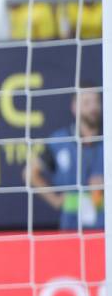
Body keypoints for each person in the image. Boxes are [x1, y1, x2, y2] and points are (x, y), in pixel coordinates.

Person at [26, 86, 104, 230]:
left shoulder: (107, 139)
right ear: (74, 107)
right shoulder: (59, 141)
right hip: (71, 226)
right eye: (87, 103)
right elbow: (30, 173)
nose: (93, 108)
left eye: (97, 102)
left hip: (105, 226)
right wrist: (55, 200)